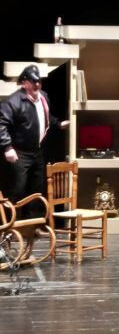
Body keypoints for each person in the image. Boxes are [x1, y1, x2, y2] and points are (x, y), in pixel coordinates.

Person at [0, 65, 69, 219]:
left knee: (37, 190)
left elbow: (45, 116)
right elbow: (1, 124)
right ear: (24, 83)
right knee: (17, 190)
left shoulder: (43, 97)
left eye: (39, 81)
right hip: (20, 153)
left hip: (37, 152)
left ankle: (33, 225)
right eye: (33, 81)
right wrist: (7, 147)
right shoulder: (13, 102)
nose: (37, 84)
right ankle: (11, 226)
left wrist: (58, 124)